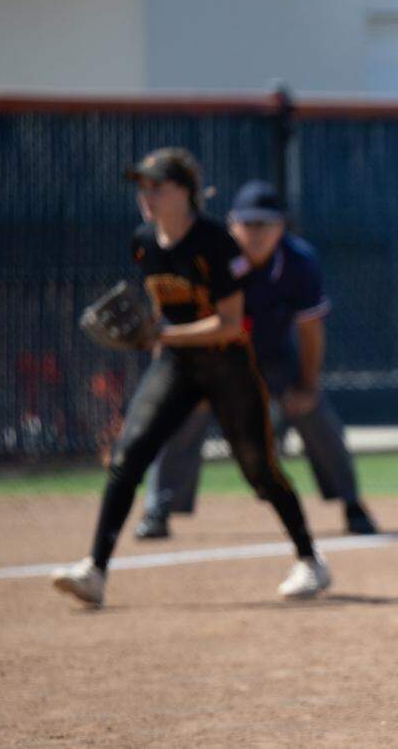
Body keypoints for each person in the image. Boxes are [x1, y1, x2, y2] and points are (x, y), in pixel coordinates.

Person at [52, 148, 331, 607]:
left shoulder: (215, 243)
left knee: (259, 471)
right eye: (143, 186)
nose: (147, 194)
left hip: (227, 365)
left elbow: (231, 323)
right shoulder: (143, 241)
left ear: (185, 192)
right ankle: (95, 570)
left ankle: (310, 560)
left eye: (157, 185)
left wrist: (166, 334)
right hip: (179, 365)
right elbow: (164, 311)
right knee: (128, 458)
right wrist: (153, 336)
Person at [133, 180, 377, 540]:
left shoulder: (299, 263)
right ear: (232, 225)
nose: (255, 232)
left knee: (314, 411)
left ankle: (351, 504)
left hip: (270, 357)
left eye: (264, 223)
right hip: (209, 356)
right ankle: (159, 508)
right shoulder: (212, 254)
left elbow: (310, 331)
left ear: (282, 226)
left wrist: (307, 385)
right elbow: (177, 310)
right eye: (247, 223)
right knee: (182, 412)